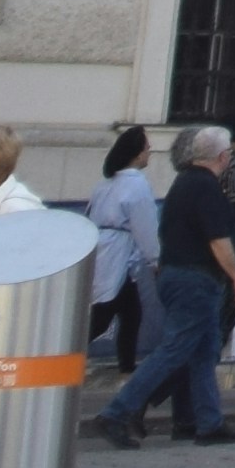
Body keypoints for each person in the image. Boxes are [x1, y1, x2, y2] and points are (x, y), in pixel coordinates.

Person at [85, 121, 235, 451]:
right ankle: (116, 411)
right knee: (175, 349)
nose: (230, 158)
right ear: (221, 156)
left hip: (180, 275)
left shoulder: (184, 182)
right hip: (195, 278)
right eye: (228, 153)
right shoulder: (205, 187)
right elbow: (218, 240)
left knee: (203, 351)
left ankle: (207, 422)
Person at [81, 124, 155, 372]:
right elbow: (145, 225)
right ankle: (68, 353)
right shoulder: (136, 185)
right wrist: (156, 258)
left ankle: (126, 365)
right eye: (146, 147)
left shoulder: (105, 184)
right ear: (137, 153)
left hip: (105, 250)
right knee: (105, 314)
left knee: (130, 311)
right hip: (117, 254)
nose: (149, 151)